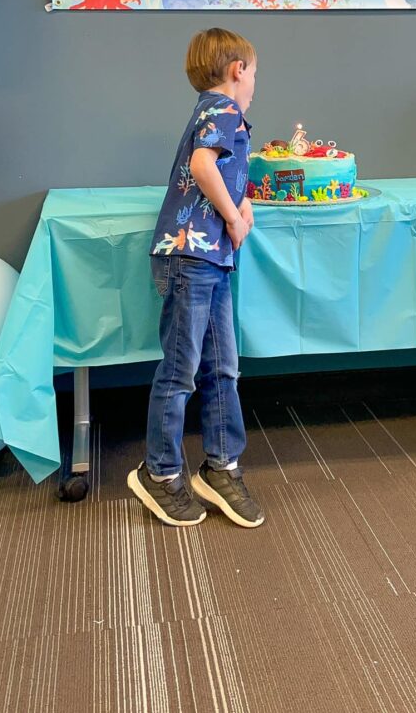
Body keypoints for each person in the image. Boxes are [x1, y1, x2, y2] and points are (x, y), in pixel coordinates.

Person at [127, 27, 264, 528]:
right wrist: (232, 217)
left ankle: (221, 465)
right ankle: (160, 474)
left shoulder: (216, 113)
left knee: (221, 366)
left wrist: (242, 203)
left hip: (208, 260)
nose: (254, 85)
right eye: (254, 75)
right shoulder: (224, 109)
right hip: (192, 258)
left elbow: (219, 170)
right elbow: (205, 166)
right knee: (183, 368)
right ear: (237, 71)